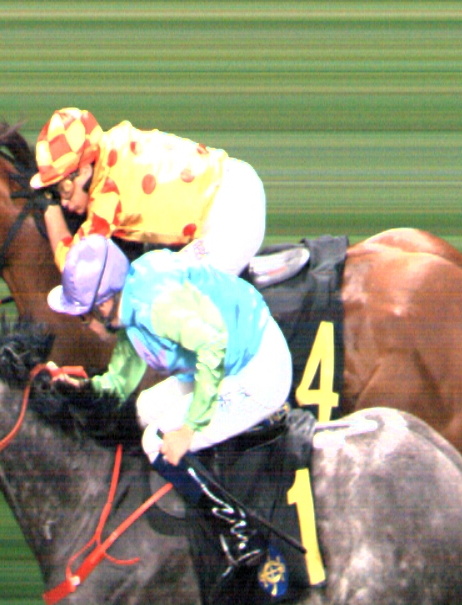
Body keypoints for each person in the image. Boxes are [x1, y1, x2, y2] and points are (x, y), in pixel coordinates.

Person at [48, 233, 291, 572]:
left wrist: (189, 429)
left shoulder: (156, 307)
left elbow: (213, 346)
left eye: (82, 316)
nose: (83, 326)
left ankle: (240, 529)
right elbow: (122, 378)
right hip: (226, 363)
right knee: (145, 408)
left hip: (259, 369)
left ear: (102, 305)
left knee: (156, 440)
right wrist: (86, 389)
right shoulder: (129, 300)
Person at [27, 107, 266, 279]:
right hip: (236, 178)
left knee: (168, 294)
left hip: (231, 224)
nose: (64, 201)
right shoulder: (117, 138)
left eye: (64, 189)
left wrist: (50, 210)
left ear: (85, 170)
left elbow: (75, 269)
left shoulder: (108, 194)